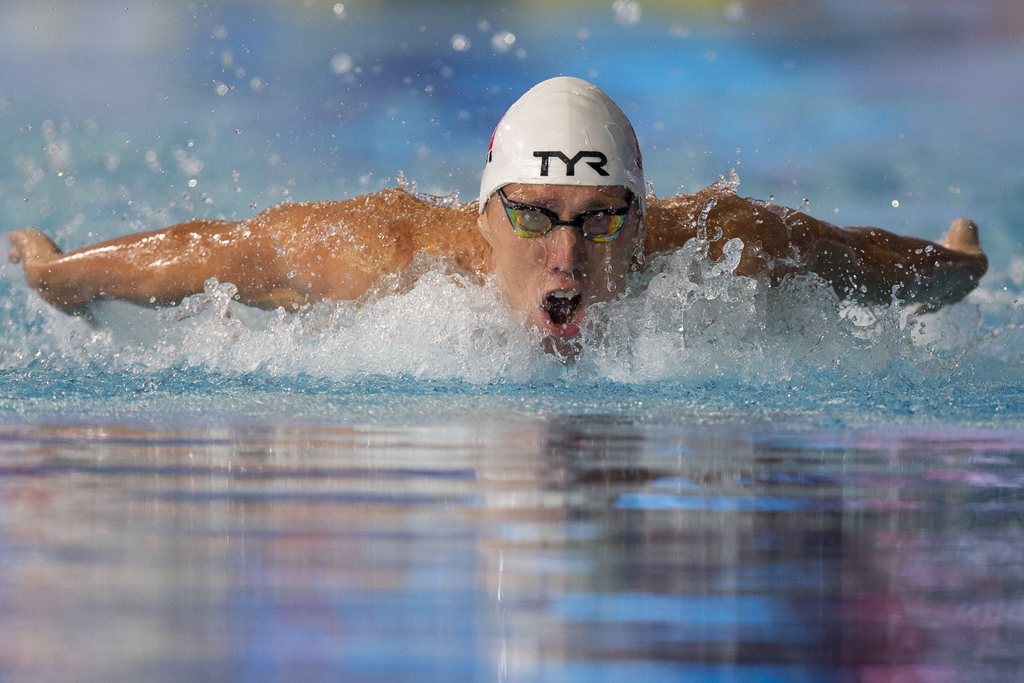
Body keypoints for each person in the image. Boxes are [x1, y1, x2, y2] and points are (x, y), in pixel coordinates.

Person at [8, 77, 987, 354]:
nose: (565, 254)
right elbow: (208, 250)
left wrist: (950, 269)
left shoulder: (727, 246)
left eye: (602, 220)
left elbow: (865, 260)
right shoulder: (375, 253)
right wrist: (63, 275)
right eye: (533, 218)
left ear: (644, 224)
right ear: (483, 218)